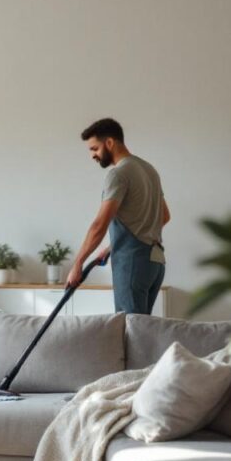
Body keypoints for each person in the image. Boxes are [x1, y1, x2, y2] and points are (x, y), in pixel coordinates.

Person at [67, 118, 170, 314]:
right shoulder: (149, 170)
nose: (93, 155)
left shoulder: (118, 174)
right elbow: (164, 216)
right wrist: (111, 246)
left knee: (128, 329)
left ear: (110, 143)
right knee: (142, 328)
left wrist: (78, 263)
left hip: (132, 264)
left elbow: (99, 225)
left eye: (94, 148)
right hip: (155, 263)